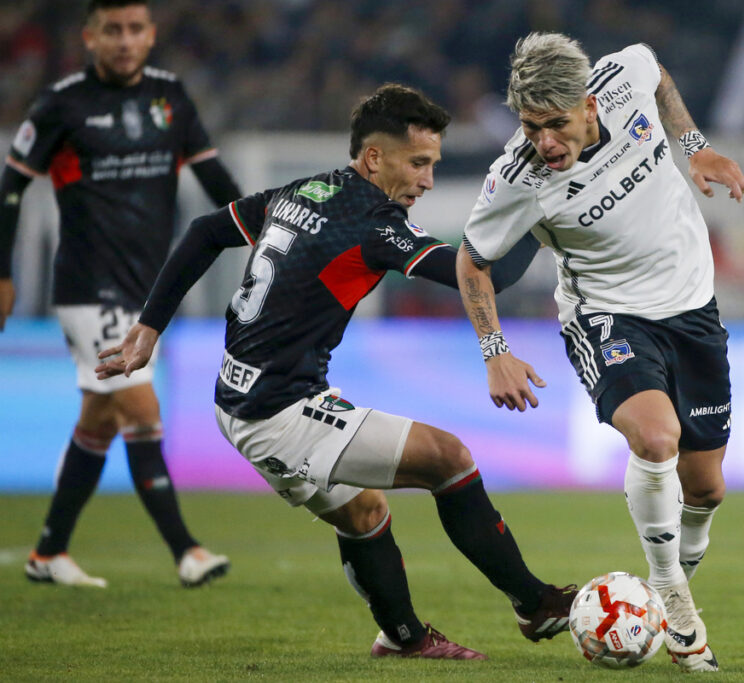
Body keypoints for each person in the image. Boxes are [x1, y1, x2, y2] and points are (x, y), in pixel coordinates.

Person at [95, 83, 573, 659]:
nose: (426, 180)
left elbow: (204, 232)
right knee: (449, 459)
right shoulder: (375, 223)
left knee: (364, 510)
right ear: (374, 158)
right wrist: (537, 220)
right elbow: (483, 277)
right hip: (279, 411)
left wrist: (150, 326)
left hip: (235, 397)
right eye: (418, 164)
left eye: (432, 165)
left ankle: (403, 639)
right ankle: (534, 602)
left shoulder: (306, 190)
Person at [456, 33, 744, 673]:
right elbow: (472, 261)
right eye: (531, 128)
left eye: (556, 125)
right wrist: (494, 350)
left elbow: (660, 72)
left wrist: (693, 148)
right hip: (608, 315)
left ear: (591, 105)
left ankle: (673, 577)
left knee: (706, 489)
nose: (545, 143)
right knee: (655, 438)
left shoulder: (625, 77)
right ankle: (671, 599)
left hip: (694, 308)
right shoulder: (516, 178)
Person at [0, 0, 238, 588]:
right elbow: (10, 188)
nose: (125, 41)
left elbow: (214, 178)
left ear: (152, 35)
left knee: (100, 420)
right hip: (88, 286)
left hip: (148, 287)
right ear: (90, 37)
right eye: (113, 31)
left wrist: (269, 230)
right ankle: (187, 550)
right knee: (139, 405)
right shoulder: (62, 103)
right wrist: (3, 274)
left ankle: (48, 553)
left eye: (135, 29)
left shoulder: (171, 97)